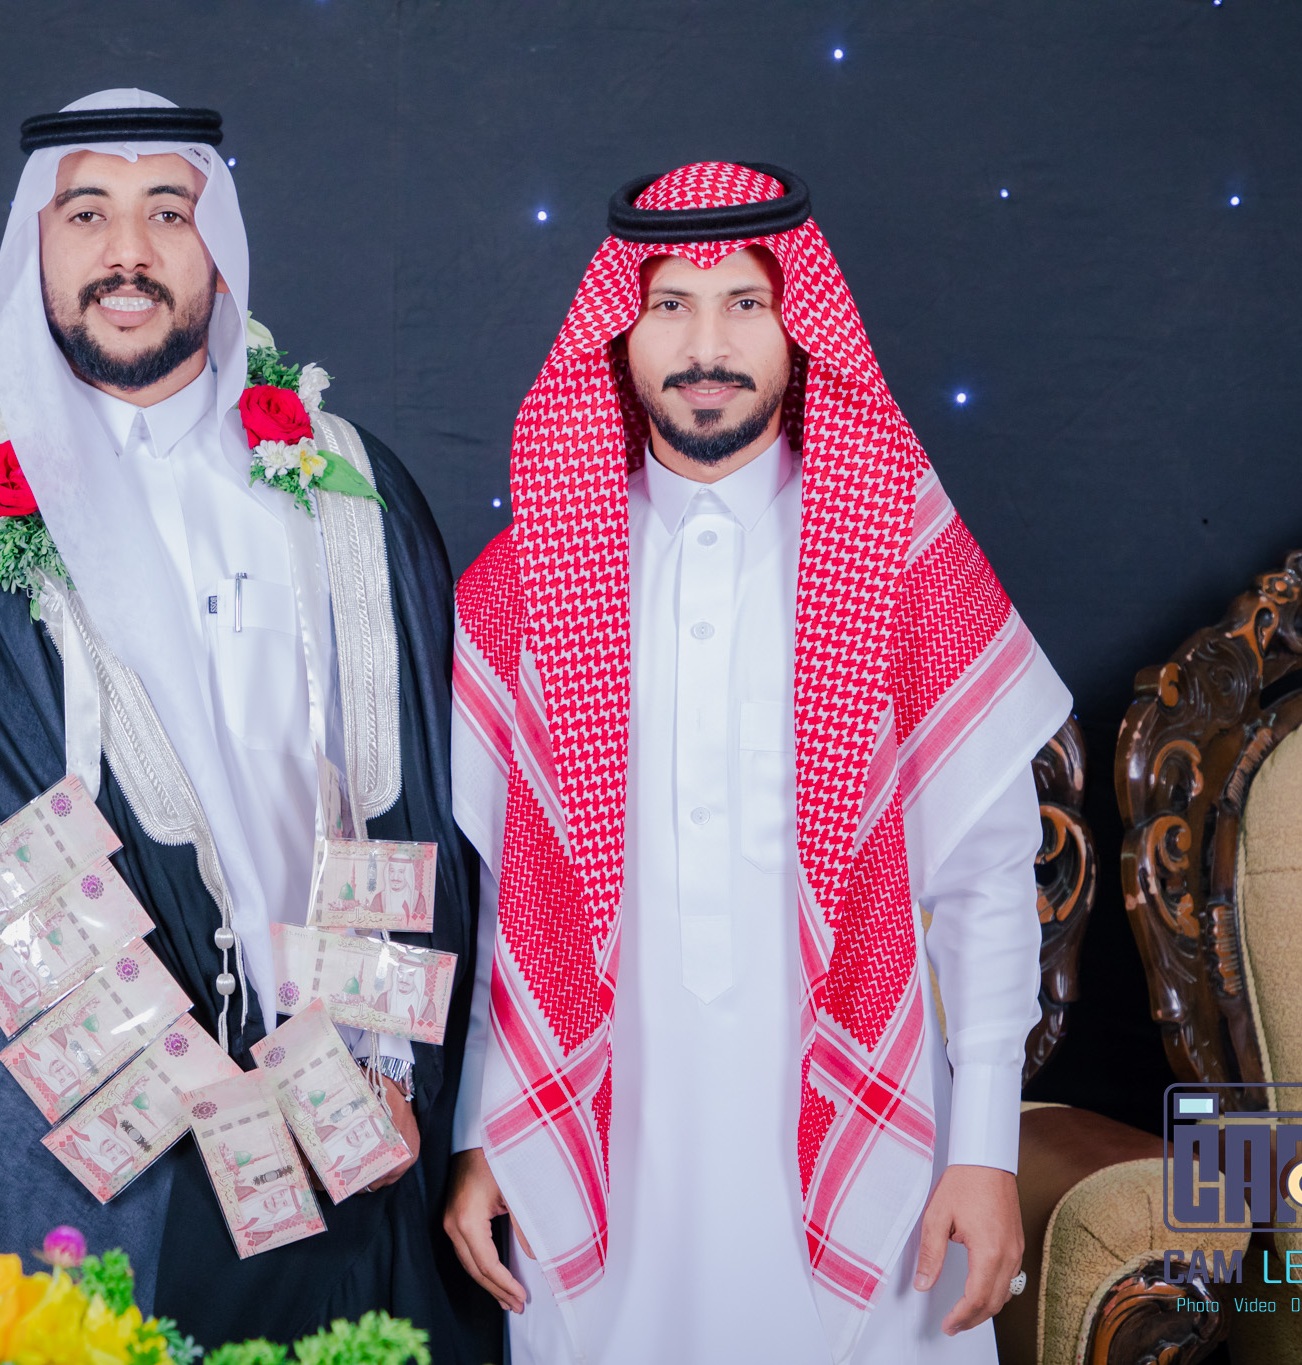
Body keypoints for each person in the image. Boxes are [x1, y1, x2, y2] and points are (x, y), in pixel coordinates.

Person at [0, 90, 479, 1357]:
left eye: (166, 213)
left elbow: (427, 815)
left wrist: (397, 1074)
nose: (127, 252)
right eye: (87, 215)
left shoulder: (346, 487)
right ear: (34, 242)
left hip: (343, 1118)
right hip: (61, 1148)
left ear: (216, 248)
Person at [441, 162, 1071, 1363]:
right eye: (669, 306)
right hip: (604, 1145)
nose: (705, 347)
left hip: (868, 1132)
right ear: (619, 333)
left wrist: (984, 1149)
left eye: (744, 303)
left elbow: (985, 880)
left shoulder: (898, 548)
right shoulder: (526, 578)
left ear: (799, 326)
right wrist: (483, 1130)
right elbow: (498, 898)